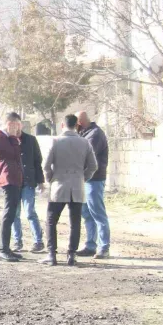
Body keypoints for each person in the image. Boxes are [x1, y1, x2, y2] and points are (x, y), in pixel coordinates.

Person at [39, 114, 98, 267]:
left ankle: (52, 254)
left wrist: (51, 178)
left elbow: (46, 165)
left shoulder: (56, 141)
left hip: (59, 185)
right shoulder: (84, 143)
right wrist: (82, 177)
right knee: (75, 222)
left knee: (51, 220)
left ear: (62, 125)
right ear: (77, 125)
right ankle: (71, 255)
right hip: (77, 186)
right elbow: (93, 166)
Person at [75, 111, 112, 259]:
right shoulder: (85, 133)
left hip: (94, 179)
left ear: (79, 122)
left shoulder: (95, 135)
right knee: (87, 214)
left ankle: (104, 247)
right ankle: (91, 245)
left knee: (98, 214)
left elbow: (84, 156)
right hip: (85, 180)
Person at [0, 112, 25, 262]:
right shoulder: (0, 137)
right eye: (16, 125)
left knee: (12, 215)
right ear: (9, 124)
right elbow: (14, 153)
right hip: (8, 179)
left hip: (14, 179)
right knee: (8, 215)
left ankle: (6, 248)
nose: (19, 128)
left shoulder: (9, 138)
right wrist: (13, 137)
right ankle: (2, 249)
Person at [12, 129, 46, 253]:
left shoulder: (31, 140)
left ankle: (38, 241)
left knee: (30, 212)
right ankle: (17, 241)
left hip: (28, 182)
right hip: (13, 183)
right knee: (14, 213)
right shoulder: (7, 140)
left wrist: (40, 181)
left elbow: (38, 162)